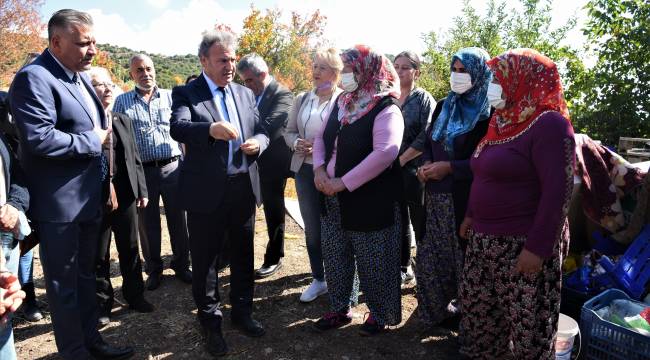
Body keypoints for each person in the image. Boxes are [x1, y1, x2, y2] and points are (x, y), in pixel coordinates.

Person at [9, 9, 134, 359]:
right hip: (59, 207)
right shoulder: (34, 78)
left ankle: (92, 341)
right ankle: (75, 352)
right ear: (56, 42)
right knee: (63, 286)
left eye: (94, 41)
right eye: (83, 43)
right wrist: (91, 141)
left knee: (84, 278)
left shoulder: (76, 76)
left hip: (86, 200)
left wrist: (104, 181)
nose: (92, 50)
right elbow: (39, 139)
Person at [458, 48, 575, 359]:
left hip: (523, 246)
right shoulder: (502, 120)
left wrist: (537, 248)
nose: (493, 84)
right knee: (481, 320)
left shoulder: (549, 124)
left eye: (499, 77)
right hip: (484, 240)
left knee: (528, 334)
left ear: (523, 79)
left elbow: (558, 192)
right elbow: (482, 173)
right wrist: (471, 215)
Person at [169, 30, 269, 357]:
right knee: (206, 260)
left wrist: (260, 144)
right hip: (205, 192)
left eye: (232, 59)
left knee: (242, 253)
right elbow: (178, 128)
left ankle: (242, 313)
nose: (230, 65)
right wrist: (210, 130)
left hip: (241, 188)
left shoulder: (243, 93)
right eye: (222, 60)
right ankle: (211, 323)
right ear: (204, 61)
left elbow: (262, 130)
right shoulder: (187, 93)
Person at [311, 45, 404, 336]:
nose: (346, 74)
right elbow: (320, 138)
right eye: (345, 68)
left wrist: (342, 182)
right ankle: (340, 308)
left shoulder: (385, 107)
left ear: (367, 70)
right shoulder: (342, 101)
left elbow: (386, 152)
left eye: (351, 69)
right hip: (331, 196)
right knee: (336, 253)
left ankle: (380, 314)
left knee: (374, 259)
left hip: (369, 200)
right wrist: (318, 170)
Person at [415, 47, 492, 327]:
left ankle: (468, 324)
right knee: (431, 259)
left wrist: (450, 168)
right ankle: (435, 313)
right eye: (455, 70)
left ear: (480, 74)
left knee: (465, 261)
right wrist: (425, 166)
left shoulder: (488, 113)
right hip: (435, 200)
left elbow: (486, 160)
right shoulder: (443, 105)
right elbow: (429, 143)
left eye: (464, 71)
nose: (457, 76)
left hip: (465, 201)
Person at [113, 54, 191, 290]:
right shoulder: (122, 102)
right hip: (143, 172)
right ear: (131, 75)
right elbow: (119, 140)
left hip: (173, 167)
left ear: (154, 70)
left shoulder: (171, 97)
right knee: (147, 224)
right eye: (139, 70)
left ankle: (181, 264)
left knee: (179, 219)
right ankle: (154, 269)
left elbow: (184, 130)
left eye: (148, 68)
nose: (145, 73)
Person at [88, 67, 154, 326]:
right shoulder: (85, 122)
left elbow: (134, 158)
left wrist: (142, 191)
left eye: (109, 84)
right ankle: (102, 304)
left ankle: (135, 296)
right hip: (94, 197)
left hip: (125, 195)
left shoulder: (121, 119)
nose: (106, 89)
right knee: (99, 254)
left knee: (129, 248)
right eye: (98, 84)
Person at [284, 48, 343, 302]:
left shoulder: (344, 100)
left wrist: (322, 149)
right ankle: (319, 279)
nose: (316, 71)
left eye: (322, 67)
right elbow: (288, 131)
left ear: (336, 72)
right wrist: (296, 142)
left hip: (334, 173)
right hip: (305, 172)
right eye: (315, 66)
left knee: (338, 229)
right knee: (313, 229)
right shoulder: (302, 99)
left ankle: (341, 279)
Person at [237, 54, 294, 279]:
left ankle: (274, 258)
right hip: (258, 162)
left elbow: (270, 124)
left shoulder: (282, 93)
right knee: (266, 211)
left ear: (263, 74)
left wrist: (243, 133)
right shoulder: (251, 94)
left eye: (250, 80)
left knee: (276, 210)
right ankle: (268, 256)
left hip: (281, 162)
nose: (247, 86)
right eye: (244, 81)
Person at [3, 52, 44, 323]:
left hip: (36, 186)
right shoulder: (5, 103)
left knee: (28, 244)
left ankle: (28, 298)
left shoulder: (43, 104)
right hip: (10, 188)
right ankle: (26, 300)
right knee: (19, 244)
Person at [393, 51, 435, 284]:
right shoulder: (389, 97)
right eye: (396, 66)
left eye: (404, 67)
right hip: (390, 170)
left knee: (420, 220)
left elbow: (426, 135)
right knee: (398, 218)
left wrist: (402, 160)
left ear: (416, 72)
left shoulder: (423, 99)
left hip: (415, 170)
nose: (399, 71)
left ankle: (426, 271)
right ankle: (403, 266)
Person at [0, 124, 30, 359]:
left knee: (3, 321)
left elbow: (18, 178)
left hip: (7, 238)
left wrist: (15, 204)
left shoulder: (1, 137)